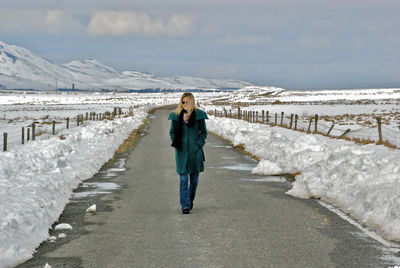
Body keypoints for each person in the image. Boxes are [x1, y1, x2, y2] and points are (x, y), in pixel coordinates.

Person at [168, 93, 208, 214]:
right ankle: (185, 206)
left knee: (194, 181)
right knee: (183, 180)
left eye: (186, 102)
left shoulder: (199, 115)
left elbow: (204, 132)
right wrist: (176, 143)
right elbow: (172, 132)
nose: (184, 104)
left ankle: (189, 200)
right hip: (181, 153)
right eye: (182, 102)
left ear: (192, 102)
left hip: (195, 154)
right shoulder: (176, 116)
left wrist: (198, 145)